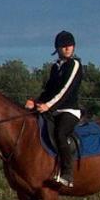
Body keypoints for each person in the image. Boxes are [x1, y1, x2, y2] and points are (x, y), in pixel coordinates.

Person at [25, 30, 82, 188]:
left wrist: (48, 105)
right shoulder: (55, 67)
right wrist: (35, 102)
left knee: (60, 133)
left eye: (70, 45)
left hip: (69, 111)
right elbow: (49, 90)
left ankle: (67, 174)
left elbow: (66, 89)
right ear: (57, 48)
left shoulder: (74, 64)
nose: (67, 48)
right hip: (53, 111)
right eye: (63, 46)